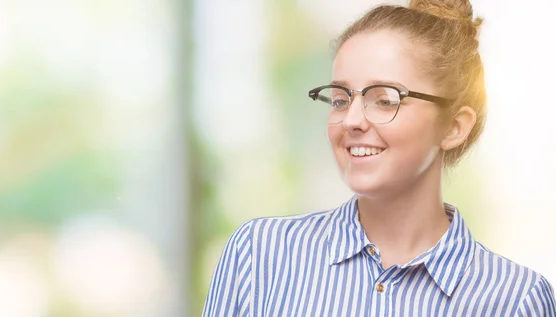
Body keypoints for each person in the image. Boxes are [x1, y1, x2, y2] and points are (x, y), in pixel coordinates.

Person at [202, 0, 556, 316]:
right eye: (341, 98)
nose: (352, 120)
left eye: (385, 99)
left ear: (453, 127)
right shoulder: (259, 255)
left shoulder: (516, 299)